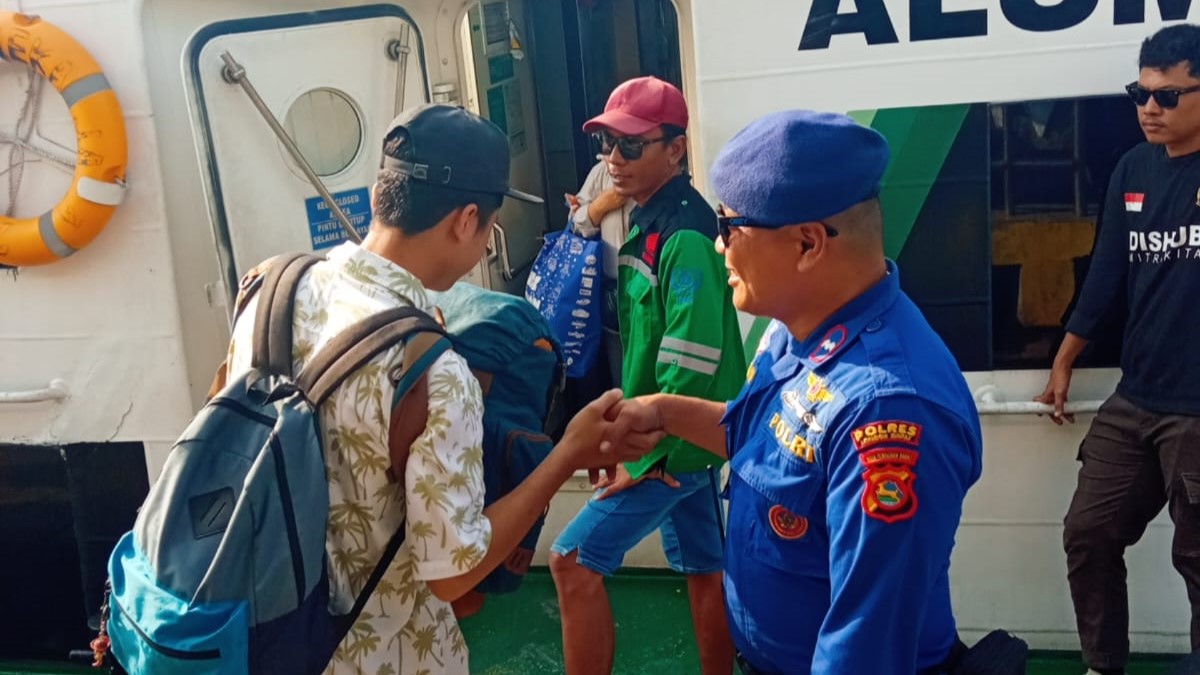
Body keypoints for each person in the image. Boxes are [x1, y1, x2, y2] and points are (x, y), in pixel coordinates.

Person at [214, 104, 659, 675]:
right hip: (380, 654)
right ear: (464, 219)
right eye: (491, 227)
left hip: (258, 635)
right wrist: (568, 451)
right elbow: (452, 572)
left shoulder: (270, 287)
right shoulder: (433, 368)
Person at [604, 110, 984, 674]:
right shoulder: (798, 327)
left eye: (730, 228)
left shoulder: (885, 409)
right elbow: (759, 437)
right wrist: (660, 412)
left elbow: (865, 646)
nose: (717, 247)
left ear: (807, 244)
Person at [548, 76, 746, 675]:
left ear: (676, 150)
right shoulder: (647, 224)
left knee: (570, 560)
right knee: (704, 572)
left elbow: (686, 367)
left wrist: (638, 456)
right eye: (607, 144)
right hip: (676, 445)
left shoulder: (682, 236)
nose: (613, 160)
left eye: (631, 146)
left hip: (672, 451)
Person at [1036, 24, 1200, 675]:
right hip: (1136, 399)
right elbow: (1106, 274)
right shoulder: (1133, 169)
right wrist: (1065, 358)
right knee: (1088, 531)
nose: (1149, 109)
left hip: (1197, 411)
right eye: (1140, 93)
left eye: (1167, 96)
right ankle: (1104, 665)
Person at [567, 157, 633, 387]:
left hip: (651, 286)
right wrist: (601, 205)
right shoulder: (602, 172)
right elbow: (575, 222)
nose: (615, 152)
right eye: (608, 141)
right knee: (622, 378)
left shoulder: (652, 170)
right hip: (613, 289)